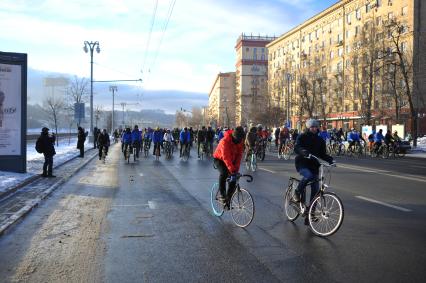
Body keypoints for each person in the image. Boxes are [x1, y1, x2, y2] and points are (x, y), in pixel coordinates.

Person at [294, 119, 334, 225]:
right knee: (309, 176)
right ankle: (297, 192)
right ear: (308, 127)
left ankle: (310, 215)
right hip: (302, 163)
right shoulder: (302, 136)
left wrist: (331, 160)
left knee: (316, 191)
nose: (314, 128)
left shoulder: (320, 140)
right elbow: (297, 147)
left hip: (314, 166)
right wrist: (304, 152)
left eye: (315, 127)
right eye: (312, 127)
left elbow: (323, 154)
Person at [213, 126, 245, 206]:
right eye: (238, 140)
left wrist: (235, 170)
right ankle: (222, 195)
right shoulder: (225, 141)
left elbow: (239, 157)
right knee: (224, 173)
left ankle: (228, 199)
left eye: (241, 139)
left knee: (234, 179)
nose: (240, 141)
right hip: (219, 159)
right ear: (234, 137)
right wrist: (232, 170)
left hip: (231, 160)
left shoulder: (240, 142)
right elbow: (226, 157)